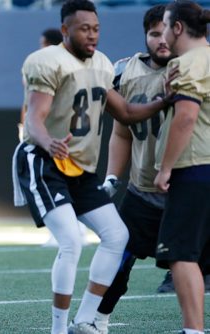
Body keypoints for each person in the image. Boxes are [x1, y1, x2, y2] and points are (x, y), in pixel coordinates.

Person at [12, 0, 173, 333]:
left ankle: (86, 319)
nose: (92, 35)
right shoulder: (46, 61)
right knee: (71, 240)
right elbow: (34, 121)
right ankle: (58, 328)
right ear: (66, 30)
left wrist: (166, 100)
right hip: (44, 160)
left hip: (80, 168)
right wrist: (48, 142)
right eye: (84, 28)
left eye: (96, 28)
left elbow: (126, 113)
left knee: (117, 236)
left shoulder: (101, 64)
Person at [90, 5, 174, 333]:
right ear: (145, 35)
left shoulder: (196, 71)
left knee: (191, 265)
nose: (161, 40)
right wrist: (113, 175)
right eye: (154, 33)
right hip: (143, 189)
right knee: (118, 258)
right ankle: (98, 319)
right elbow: (122, 131)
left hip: (188, 188)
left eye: (167, 32)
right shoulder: (124, 71)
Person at [153, 2, 210, 333]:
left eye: (164, 26)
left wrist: (165, 168)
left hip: (196, 167)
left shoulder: (189, 63)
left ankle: (193, 330)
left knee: (181, 254)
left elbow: (187, 117)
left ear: (177, 28)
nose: (161, 34)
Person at [19, 28, 63, 141]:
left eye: (43, 44)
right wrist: (23, 126)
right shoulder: (35, 63)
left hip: (50, 128)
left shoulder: (60, 66)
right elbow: (27, 102)